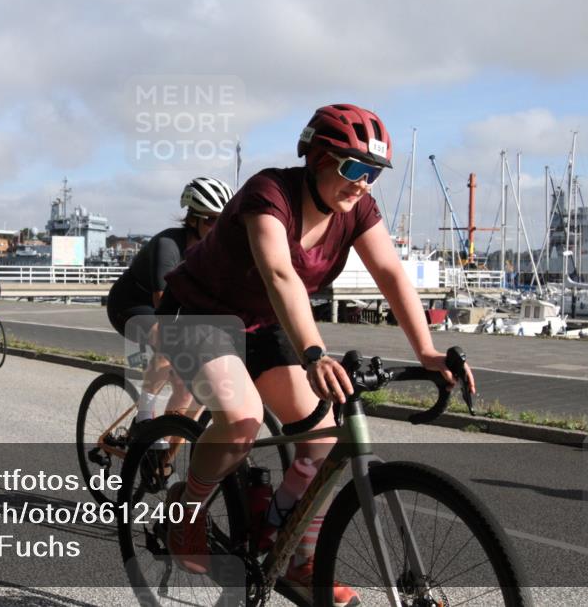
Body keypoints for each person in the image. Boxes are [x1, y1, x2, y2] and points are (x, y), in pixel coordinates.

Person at [156, 104, 476, 604]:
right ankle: (187, 509)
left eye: (373, 173)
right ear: (317, 158)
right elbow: (280, 276)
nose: (363, 183)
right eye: (353, 168)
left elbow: (390, 274)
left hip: (265, 322)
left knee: (321, 437)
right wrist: (313, 354)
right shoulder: (270, 194)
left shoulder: (357, 211)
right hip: (200, 313)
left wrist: (429, 351)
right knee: (241, 419)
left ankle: (292, 551)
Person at [106, 177, 234, 429]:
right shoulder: (169, 244)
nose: (217, 226)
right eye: (210, 219)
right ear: (192, 219)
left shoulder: (216, 251)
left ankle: (163, 457)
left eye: (223, 220)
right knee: (166, 342)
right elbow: (162, 302)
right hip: (131, 304)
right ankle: (144, 418)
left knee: (189, 390)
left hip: (170, 307)